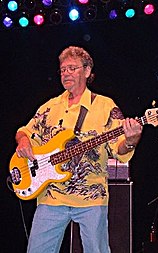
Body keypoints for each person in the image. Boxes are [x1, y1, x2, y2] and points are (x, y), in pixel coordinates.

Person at [15, 46, 143, 253]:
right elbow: (25, 131)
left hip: (91, 197)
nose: (65, 73)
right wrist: (23, 141)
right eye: (62, 69)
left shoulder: (105, 106)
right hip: (50, 197)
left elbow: (119, 149)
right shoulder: (49, 107)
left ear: (87, 71)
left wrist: (131, 139)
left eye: (72, 68)